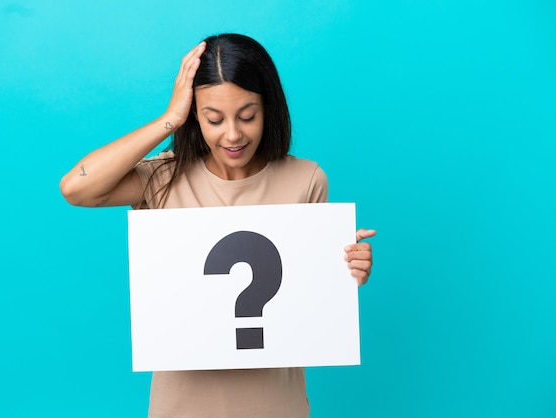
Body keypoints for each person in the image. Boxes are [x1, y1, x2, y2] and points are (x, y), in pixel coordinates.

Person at [60, 33, 375, 418]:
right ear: (196, 114)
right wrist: (169, 119)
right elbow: (77, 188)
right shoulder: (163, 178)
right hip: (181, 406)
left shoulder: (307, 179)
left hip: (277, 404)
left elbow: (307, 300)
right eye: (214, 118)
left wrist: (345, 269)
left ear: (268, 109)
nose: (232, 134)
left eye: (247, 116)